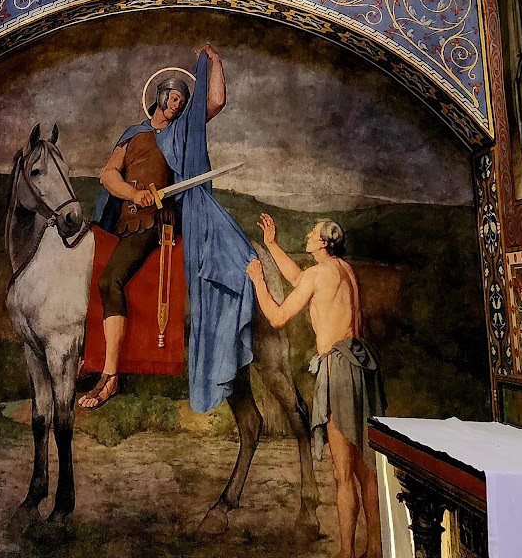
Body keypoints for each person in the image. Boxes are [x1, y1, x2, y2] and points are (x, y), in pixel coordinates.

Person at [78, 46, 227, 409]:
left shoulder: (180, 135)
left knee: (108, 281)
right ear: (159, 96)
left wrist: (216, 62)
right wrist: (133, 192)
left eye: (181, 100)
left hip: (154, 224)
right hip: (126, 221)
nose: (176, 105)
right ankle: (90, 360)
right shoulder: (134, 134)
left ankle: (110, 376)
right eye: (172, 97)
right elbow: (108, 175)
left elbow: (216, 103)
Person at [247, 215, 386, 558]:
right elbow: (299, 279)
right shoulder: (342, 271)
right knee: (365, 468)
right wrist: (272, 244)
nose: (307, 235)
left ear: (322, 243)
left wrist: (258, 282)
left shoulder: (318, 275)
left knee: (342, 473)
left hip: (339, 369)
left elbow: (278, 317)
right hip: (364, 365)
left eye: (312, 233)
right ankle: (375, 549)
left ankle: (346, 553)